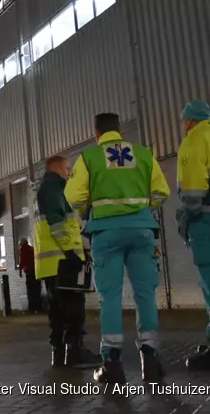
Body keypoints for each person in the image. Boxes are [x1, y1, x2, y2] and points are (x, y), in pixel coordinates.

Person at [65, 113, 170, 384]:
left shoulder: (89, 158)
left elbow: (73, 196)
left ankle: (111, 363)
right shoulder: (144, 154)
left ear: (96, 134)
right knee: (145, 293)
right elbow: (161, 192)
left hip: (106, 233)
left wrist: (89, 211)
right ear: (120, 130)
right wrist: (143, 209)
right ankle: (150, 358)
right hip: (141, 230)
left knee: (109, 296)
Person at [176, 100, 210, 370]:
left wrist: (185, 219)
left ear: (190, 121)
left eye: (183, 122)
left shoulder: (194, 142)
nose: (183, 126)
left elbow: (193, 191)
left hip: (207, 220)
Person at [35, 155, 100, 369]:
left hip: (54, 261)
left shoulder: (48, 189)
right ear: (56, 168)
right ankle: (74, 351)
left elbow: (67, 224)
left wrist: (81, 247)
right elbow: (58, 224)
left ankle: (60, 353)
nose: (69, 172)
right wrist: (72, 252)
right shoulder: (54, 189)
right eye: (67, 168)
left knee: (57, 309)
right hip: (62, 260)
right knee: (73, 307)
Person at [17, 238, 42, 313]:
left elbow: (22, 261)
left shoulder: (23, 250)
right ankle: (38, 307)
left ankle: (31, 308)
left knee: (30, 290)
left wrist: (20, 271)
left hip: (29, 272)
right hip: (36, 271)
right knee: (37, 289)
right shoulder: (32, 249)